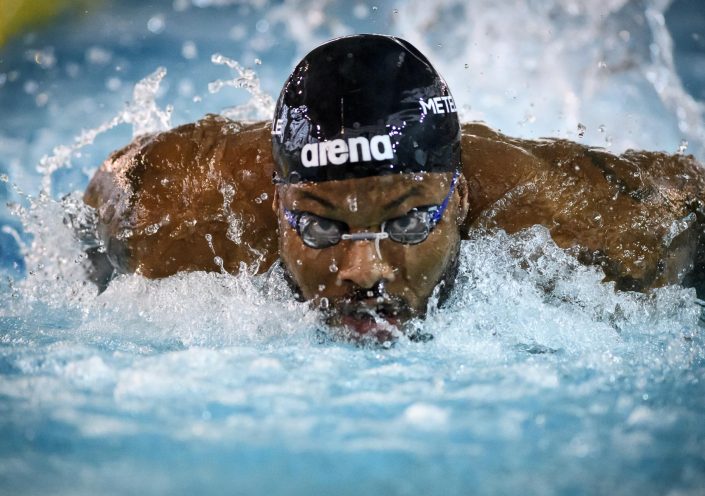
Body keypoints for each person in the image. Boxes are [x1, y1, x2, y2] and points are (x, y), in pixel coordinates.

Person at [81, 34, 705, 337]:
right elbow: (96, 208)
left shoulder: (572, 220)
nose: (363, 270)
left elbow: (689, 203)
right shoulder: (181, 217)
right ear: (276, 202)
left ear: (458, 197)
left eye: (407, 223)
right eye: (323, 226)